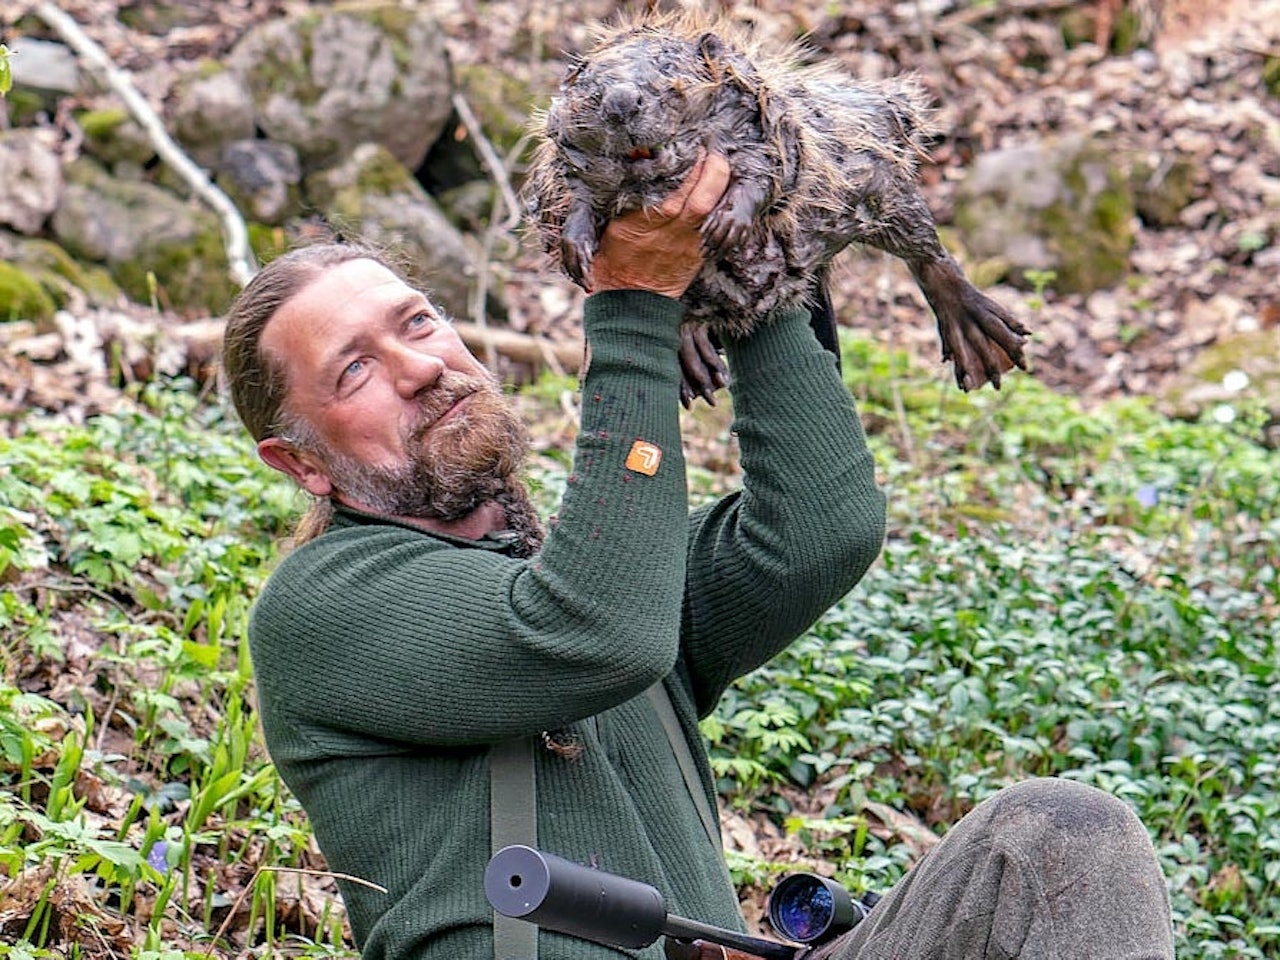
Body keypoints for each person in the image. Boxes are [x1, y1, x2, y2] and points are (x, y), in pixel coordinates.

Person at [221, 153, 1174, 960]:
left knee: (1057, 841)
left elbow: (813, 534)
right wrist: (633, 310)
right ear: (300, 462)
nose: (420, 366)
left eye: (418, 322)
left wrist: (749, 267)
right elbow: (593, 633)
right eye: (356, 369)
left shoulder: (574, 577)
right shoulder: (321, 608)